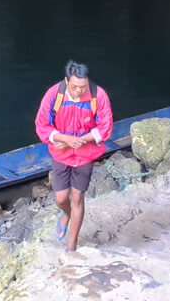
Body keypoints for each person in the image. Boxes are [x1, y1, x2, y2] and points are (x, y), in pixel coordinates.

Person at [33, 60, 113, 253]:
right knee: (61, 198)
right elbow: (42, 125)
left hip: (85, 156)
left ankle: (72, 244)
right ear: (67, 81)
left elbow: (105, 127)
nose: (79, 91)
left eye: (83, 87)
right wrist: (63, 138)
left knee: (77, 196)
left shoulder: (98, 95)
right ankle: (65, 214)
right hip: (61, 154)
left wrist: (82, 140)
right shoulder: (54, 95)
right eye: (75, 86)